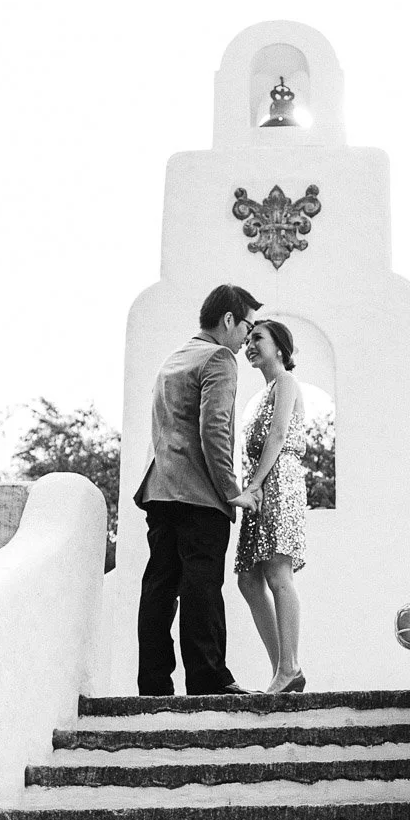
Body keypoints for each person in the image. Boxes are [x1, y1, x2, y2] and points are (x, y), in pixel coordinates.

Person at [133, 283, 262, 696]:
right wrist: (232, 491)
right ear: (229, 319)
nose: (246, 339)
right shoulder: (219, 358)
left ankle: (153, 685)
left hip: (160, 490)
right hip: (199, 496)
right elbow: (214, 429)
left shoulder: (175, 357)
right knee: (201, 586)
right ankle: (208, 679)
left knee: (159, 587)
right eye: (247, 328)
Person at [234, 319, 309, 694]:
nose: (249, 344)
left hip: (279, 482)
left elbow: (278, 435)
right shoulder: (258, 396)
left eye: (258, 338)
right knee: (248, 580)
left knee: (279, 573)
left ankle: (288, 667)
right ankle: (285, 668)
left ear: (279, 347)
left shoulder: (286, 382)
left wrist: (255, 485)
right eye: (247, 339)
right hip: (260, 485)